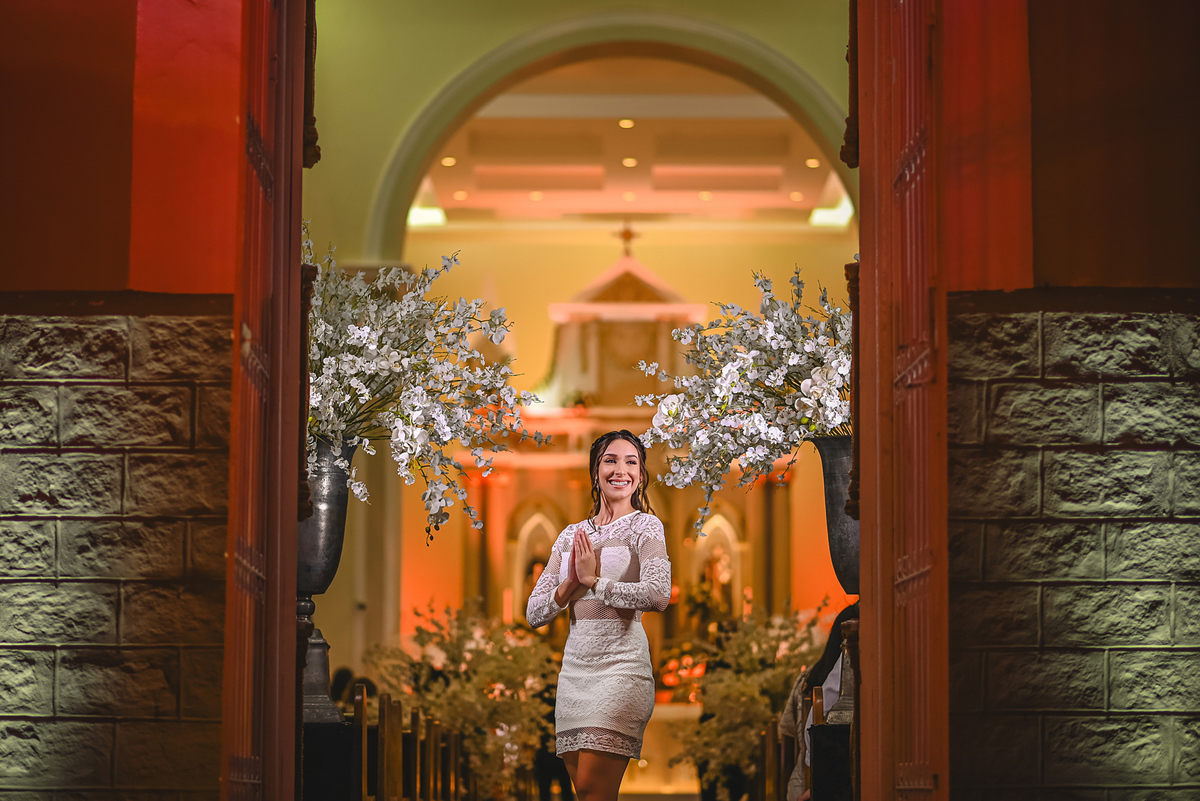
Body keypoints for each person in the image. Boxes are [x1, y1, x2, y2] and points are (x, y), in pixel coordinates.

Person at [526, 430, 672, 801]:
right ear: (595, 471)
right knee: (587, 795)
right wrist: (571, 583)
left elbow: (658, 596)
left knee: (593, 790)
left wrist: (594, 582)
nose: (621, 470)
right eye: (610, 460)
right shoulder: (570, 536)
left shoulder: (645, 527)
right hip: (574, 674)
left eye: (631, 462)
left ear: (640, 475)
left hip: (621, 669)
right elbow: (534, 612)